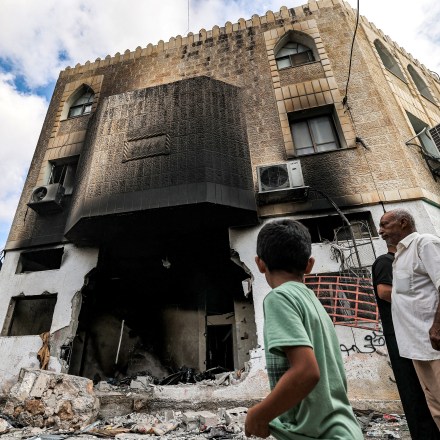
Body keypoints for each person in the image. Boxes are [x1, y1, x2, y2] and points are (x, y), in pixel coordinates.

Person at [245, 219, 363, 439]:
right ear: (309, 265)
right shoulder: (310, 299)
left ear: (260, 264)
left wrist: (258, 414)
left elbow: (307, 372)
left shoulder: (279, 298)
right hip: (341, 429)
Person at [378, 208, 440, 429]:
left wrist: (437, 327)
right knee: (436, 410)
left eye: (385, 224)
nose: (380, 231)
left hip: (434, 345)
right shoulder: (400, 256)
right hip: (415, 348)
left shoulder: (425, 243)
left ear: (403, 222)